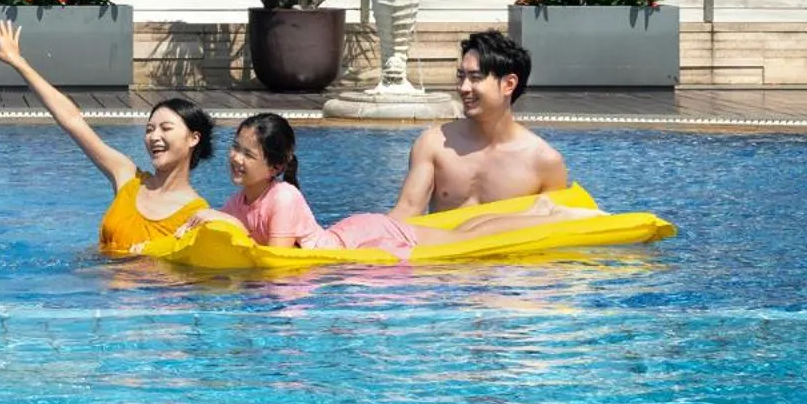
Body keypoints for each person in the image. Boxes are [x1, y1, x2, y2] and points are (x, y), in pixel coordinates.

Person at [186, 111, 597, 263]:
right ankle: (538, 213)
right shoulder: (238, 200)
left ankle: (546, 213)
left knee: (465, 233)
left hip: (369, 236)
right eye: (236, 148)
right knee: (460, 231)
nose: (236, 159)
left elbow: (277, 262)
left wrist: (232, 229)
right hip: (356, 235)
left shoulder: (283, 197)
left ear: (274, 166)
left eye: (248, 154)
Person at [0, 20, 214, 255]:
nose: (154, 136)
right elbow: (74, 121)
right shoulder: (128, 179)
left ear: (193, 138)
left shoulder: (197, 214)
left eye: (166, 128)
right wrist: (20, 64)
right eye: (149, 129)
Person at [389, 29, 570, 219]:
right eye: (461, 77)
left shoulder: (544, 163)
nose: (464, 88)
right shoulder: (433, 144)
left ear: (509, 84)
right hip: (442, 246)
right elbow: (407, 209)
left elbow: (551, 230)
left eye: (475, 78)